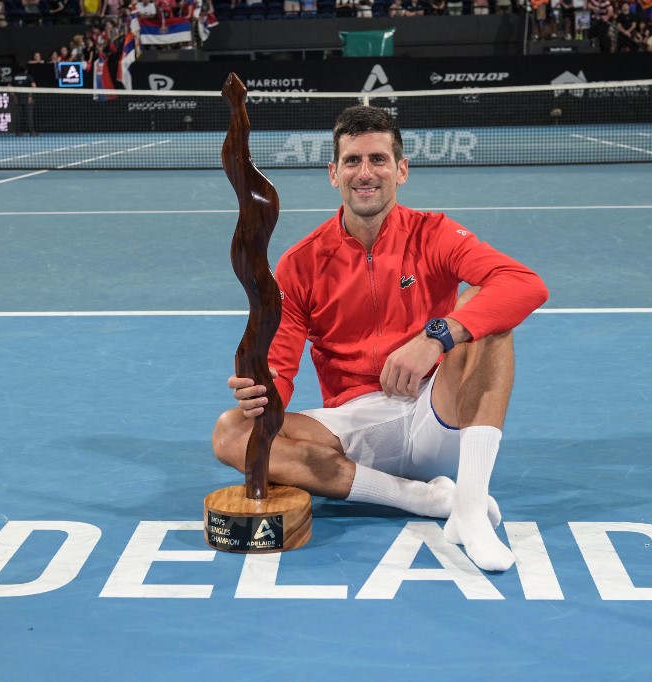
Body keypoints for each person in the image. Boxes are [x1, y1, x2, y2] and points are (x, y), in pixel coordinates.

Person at [212, 107, 549, 572]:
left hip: (438, 412)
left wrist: (437, 335)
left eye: (378, 159)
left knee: (487, 314)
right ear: (333, 173)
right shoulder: (300, 264)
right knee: (232, 432)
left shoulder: (435, 234)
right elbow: (280, 366)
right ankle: (423, 500)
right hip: (355, 428)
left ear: (401, 170)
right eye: (351, 161)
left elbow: (525, 284)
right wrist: (263, 389)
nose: (364, 173)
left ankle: (469, 509)